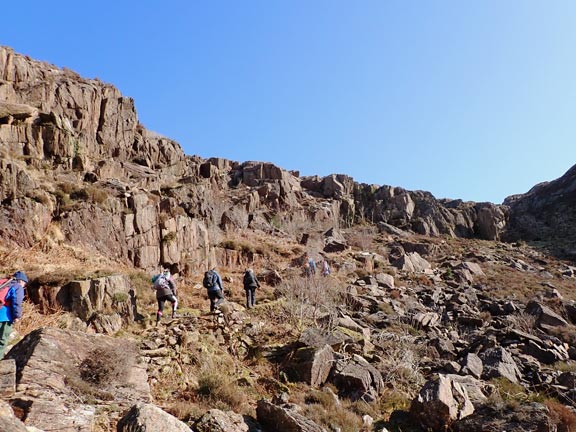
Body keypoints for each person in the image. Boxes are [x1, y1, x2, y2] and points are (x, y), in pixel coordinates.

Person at [0, 271, 27, 358]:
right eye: (25, 284)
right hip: (5, 317)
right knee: (2, 341)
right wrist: (17, 316)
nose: (24, 286)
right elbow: (16, 302)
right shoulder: (17, 286)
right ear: (21, 281)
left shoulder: (3, 282)